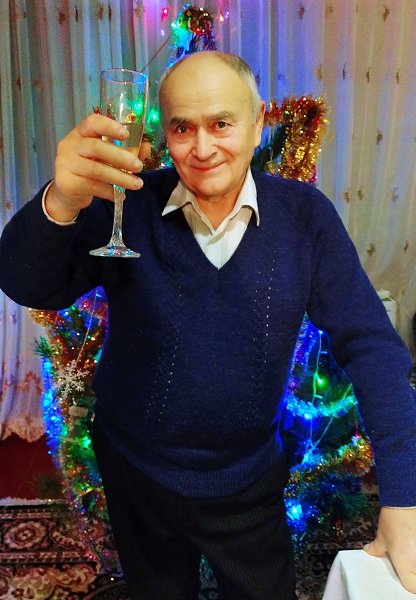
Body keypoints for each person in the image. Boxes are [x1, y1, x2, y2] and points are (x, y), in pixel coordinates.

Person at [1, 50, 416, 600]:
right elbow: (29, 285)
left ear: (257, 120)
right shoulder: (128, 204)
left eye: (221, 123)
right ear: (164, 131)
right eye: (182, 128)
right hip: (135, 472)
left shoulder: (304, 216)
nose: (201, 149)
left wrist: (404, 499)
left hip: (248, 482)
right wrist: (60, 200)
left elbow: (372, 347)